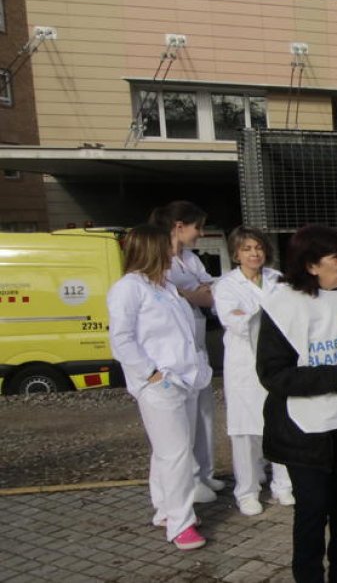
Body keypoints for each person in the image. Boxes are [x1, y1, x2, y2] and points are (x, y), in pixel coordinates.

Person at [257, 225, 337, 583]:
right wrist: (336, 377)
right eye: (336, 258)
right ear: (312, 266)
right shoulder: (283, 303)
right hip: (307, 428)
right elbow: (273, 374)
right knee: (312, 512)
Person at [107, 225, 210, 550]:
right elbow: (121, 338)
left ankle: (166, 510)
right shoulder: (128, 288)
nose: (173, 252)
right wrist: (150, 373)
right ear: (152, 249)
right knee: (176, 453)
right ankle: (181, 525)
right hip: (160, 383)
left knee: (167, 453)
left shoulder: (164, 285)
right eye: (167, 247)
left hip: (185, 378)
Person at [212, 227, 292, 517]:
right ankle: (247, 491)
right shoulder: (226, 286)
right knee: (245, 432)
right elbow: (236, 322)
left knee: (280, 424)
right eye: (247, 249)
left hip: (277, 364)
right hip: (245, 367)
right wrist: (266, 314)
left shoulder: (277, 279)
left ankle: (283, 485)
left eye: (258, 248)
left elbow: (291, 313)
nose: (254, 253)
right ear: (236, 253)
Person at [149, 200, 222, 502]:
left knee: (204, 412)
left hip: (197, 341)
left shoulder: (190, 259)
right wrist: (193, 294)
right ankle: (188, 481)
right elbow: (168, 293)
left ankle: (205, 473)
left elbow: (210, 293)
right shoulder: (158, 259)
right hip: (172, 352)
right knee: (181, 422)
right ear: (179, 227)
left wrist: (192, 294)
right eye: (197, 227)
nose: (201, 233)